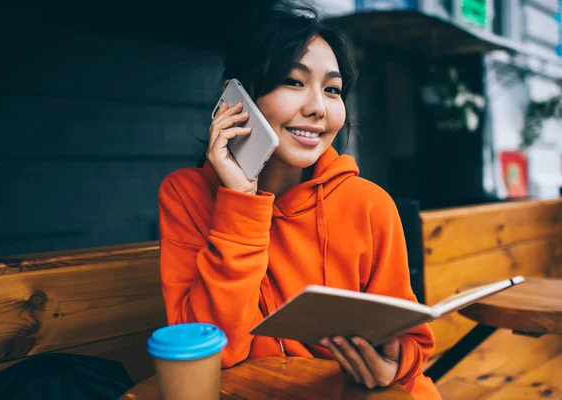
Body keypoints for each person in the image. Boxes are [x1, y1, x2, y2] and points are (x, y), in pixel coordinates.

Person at [158, 3, 441, 398]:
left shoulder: (369, 203)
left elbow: (412, 340)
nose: (317, 107)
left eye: (332, 89)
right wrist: (240, 201)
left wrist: (391, 364)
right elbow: (212, 354)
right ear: (233, 97)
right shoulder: (186, 195)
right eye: (293, 81)